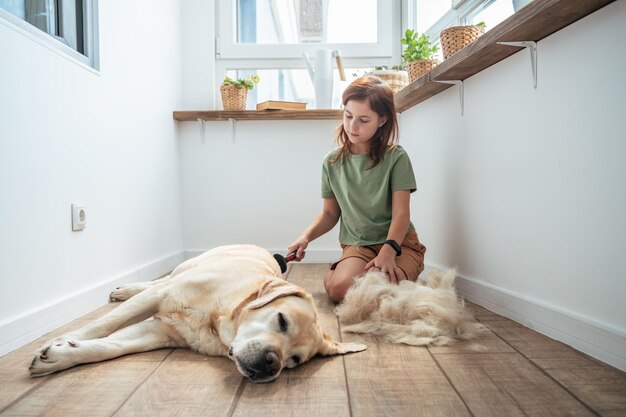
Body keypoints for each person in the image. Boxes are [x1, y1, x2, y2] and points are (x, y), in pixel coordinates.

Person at [287, 75, 426, 302]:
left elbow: (402, 214)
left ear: (382, 120)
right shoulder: (332, 162)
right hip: (358, 245)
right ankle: (341, 272)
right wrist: (305, 238)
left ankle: (404, 265)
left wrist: (389, 252)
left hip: (398, 243)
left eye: (363, 120)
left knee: (380, 287)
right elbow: (330, 213)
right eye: (348, 116)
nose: (352, 126)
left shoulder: (396, 158)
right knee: (342, 290)